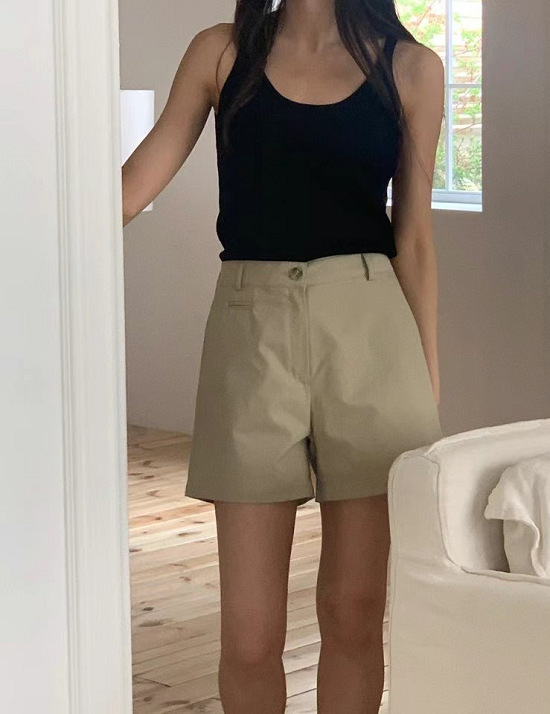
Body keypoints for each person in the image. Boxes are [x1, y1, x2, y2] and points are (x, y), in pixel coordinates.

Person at [122, 1, 444, 712]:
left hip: (374, 338)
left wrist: (427, 384)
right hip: (250, 336)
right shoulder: (220, 53)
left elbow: (415, 238)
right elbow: (130, 188)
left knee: (354, 614)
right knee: (248, 636)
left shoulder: (412, 68)